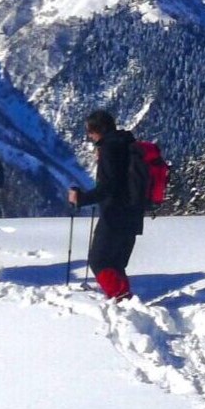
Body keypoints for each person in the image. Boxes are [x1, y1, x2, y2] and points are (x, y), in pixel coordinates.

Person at [67, 109, 144, 301]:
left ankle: (119, 296)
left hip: (114, 214)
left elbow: (109, 186)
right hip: (133, 213)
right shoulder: (127, 143)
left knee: (99, 260)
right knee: (115, 262)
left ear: (99, 130)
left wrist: (82, 198)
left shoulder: (109, 148)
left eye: (90, 131)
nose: (89, 136)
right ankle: (124, 298)